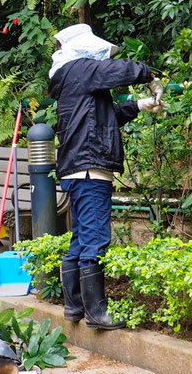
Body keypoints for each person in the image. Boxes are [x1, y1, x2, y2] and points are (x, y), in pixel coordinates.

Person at [47, 24, 164, 329]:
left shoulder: (70, 78)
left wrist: (140, 105)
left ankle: (74, 307)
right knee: (96, 238)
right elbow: (119, 71)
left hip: (77, 167)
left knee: (80, 239)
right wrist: (149, 75)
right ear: (85, 48)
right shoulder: (81, 69)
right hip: (90, 169)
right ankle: (97, 314)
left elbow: (105, 115)